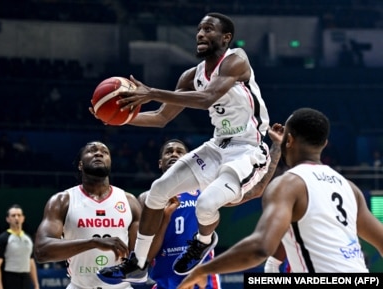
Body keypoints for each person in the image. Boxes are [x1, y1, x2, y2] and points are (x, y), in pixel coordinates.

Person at [95, 12, 271, 284]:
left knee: (206, 204)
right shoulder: (191, 76)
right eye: (199, 29)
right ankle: (138, 263)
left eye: (209, 29)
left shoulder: (237, 60)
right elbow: (161, 118)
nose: (201, 34)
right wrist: (119, 119)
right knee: (157, 192)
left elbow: (207, 98)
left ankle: (203, 240)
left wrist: (151, 92)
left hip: (248, 148)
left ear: (226, 37)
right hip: (218, 144)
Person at [176, 107, 383, 288]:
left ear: (289, 139)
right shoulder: (349, 188)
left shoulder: (288, 185)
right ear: (325, 143)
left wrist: (202, 270)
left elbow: (260, 247)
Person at [33, 141, 142, 289]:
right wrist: (93, 243)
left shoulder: (129, 202)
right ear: (80, 165)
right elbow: (41, 252)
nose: (99, 153)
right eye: (92, 151)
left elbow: (141, 257)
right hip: (79, 286)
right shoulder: (62, 201)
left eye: (105, 152)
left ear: (110, 163)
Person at [137, 139, 222, 289]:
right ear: (160, 163)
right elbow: (147, 256)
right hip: (165, 278)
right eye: (169, 152)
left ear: (189, 160)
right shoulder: (146, 198)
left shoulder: (205, 189)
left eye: (179, 152)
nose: (174, 154)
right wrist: (165, 218)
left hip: (200, 278)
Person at [0, 204, 40, 289]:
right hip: (9, 278)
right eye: (13, 216)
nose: (16, 218)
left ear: (23, 218)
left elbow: (31, 262)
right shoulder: (3, 239)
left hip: (25, 278)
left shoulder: (28, 239)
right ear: (8, 219)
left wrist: (36, 284)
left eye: (19, 215)